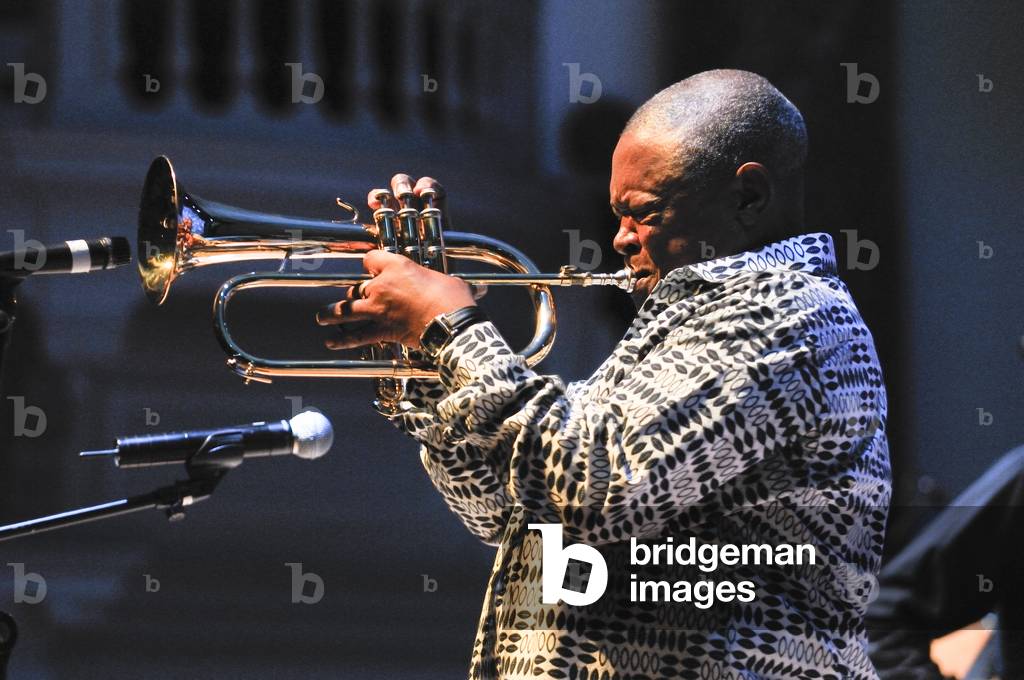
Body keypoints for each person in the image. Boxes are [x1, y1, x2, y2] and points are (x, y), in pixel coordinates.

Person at [317, 70, 892, 679]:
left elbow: (596, 489)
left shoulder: (785, 312)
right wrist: (433, 367)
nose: (618, 239)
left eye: (642, 212)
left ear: (747, 197)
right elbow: (502, 513)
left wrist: (452, 327)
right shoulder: (687, 322)